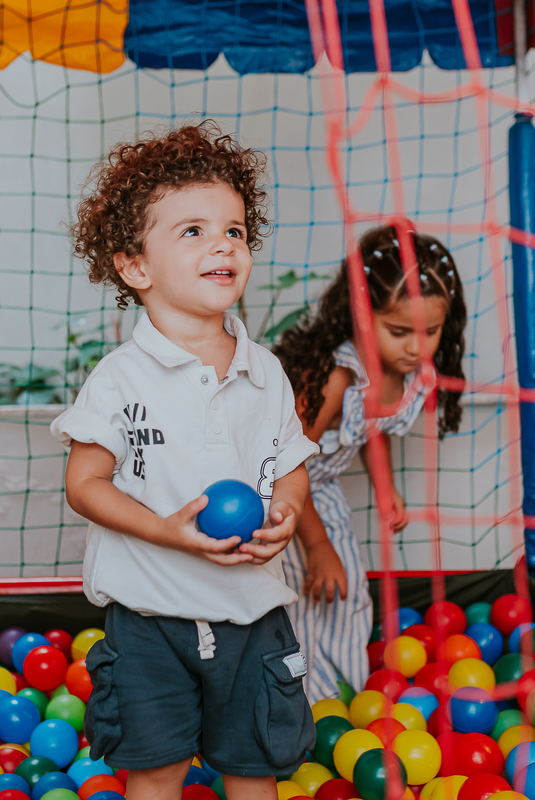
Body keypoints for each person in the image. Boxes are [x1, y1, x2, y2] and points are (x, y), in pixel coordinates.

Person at [51, 122, 319, 800]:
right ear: (136, 267)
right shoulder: (119, 378)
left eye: (233, 230)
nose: (222, 243)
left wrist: (286, 512)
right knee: (157, 770)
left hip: (253, 612)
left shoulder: (266, 371)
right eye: (193, 231)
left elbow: (289, 464)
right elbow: (84, 484)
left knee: (255, 767)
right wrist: (166, 529)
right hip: (150, 617)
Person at [273, 223, 467, 701]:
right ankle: (298, 697)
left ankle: (345, 694)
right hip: (278, 493)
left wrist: (385, 489)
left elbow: (369, 431)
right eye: (399, 331)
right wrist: (317, 547)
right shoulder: (339, 375)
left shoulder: (407, 374)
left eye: (431, 331)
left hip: (322, 490)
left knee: (347, 590)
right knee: (295, 592)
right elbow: (285, 460)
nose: (417, 347)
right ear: (362, 316)